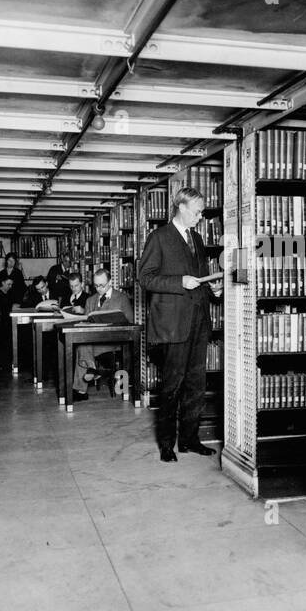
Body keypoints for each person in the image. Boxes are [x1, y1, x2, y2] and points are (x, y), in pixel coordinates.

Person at [138, 186, 223, 461]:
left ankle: (189, 439)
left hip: (198, 323)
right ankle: (166, 445)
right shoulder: (159, 237)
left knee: (196, 385)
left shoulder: (196, 238)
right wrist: (179, 282)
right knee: (172, 386)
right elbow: (145, 278)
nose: (201, 216)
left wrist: (213, 291)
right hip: (173, 325)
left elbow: (199, 279)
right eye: (197, 211)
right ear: (182, 207)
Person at [71, 267, 135, 400]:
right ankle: (91, 369)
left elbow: (130, 322)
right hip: (95, 341)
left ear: (110, 282)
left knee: (83, 348)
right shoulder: (90, 300)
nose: (99, 288)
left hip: (115, 341)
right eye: (96, 285)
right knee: (82, 345)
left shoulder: (121, 298)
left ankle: (81, 389)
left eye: (102, 285)